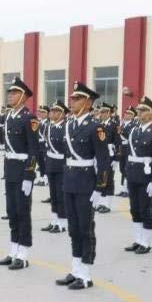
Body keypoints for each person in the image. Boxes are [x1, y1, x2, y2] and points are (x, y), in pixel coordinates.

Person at [54, 82, 110, 290]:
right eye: (72, 98)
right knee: (73, 229)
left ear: (88, 102)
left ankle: (85, 274)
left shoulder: (96, 127)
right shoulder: (69, 125)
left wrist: (100, 188)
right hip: (69, 181)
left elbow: (103, 161)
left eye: (77, 99)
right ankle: (75, 269)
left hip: (86, 183)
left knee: (85, 229)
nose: (72, 101)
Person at [0, 78, 40, 270]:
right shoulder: (8, 117)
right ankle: (13, 250)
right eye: (10, 93)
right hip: (11, 170)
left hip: (22, 171)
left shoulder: (29, 119)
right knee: (11, 211)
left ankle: (23, 254)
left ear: (23, 96)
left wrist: (29, 175)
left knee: (23, 212)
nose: (10, 96)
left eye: (14, 93)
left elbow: (34, 150)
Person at [123, 96, 152, 254]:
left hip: (146, 176)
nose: (140, 112)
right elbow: (129, 152)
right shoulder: (134, 130)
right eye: (139, 110)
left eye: (143, 110)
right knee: (134, 209)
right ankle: (138, 240)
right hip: (133, 174)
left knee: (145, 210)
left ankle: (146, 243)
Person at [41, 100, 69, 233]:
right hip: (51, 164)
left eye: (56, 111)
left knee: (60, 194)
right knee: (53, 194)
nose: (53, 113)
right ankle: (54, 220)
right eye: (52, 111)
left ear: (63, 114)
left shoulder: (66, 127)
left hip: (62, 165)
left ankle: (62, 223)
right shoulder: (49, 126)